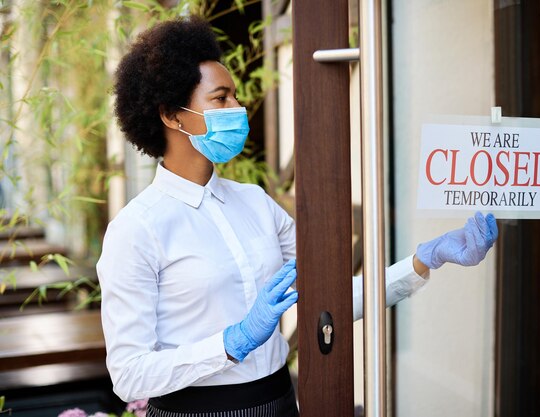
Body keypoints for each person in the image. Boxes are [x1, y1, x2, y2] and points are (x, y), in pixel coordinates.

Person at [96, 16, 498, 417]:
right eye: (221, 99)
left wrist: (426, 260)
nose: (238, 108)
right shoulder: (136, 230)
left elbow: (332, 298)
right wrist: (231, 343)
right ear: (171, 115)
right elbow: (130, 376)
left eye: (236, 97)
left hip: (281, 404)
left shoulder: (256, 203)